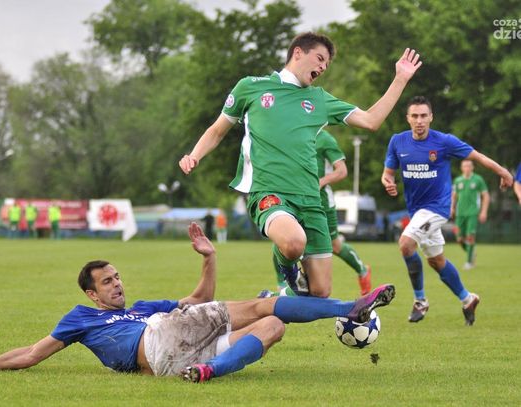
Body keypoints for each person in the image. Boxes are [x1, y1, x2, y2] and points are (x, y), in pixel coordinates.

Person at [0, 222, 396, 383]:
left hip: (180, 358)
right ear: (91, 295)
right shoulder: (82, 317)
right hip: (156, 340)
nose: (117, 284)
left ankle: (209, 372)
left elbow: (199, 300)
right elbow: (31, 354)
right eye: (107, 282)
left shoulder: (142, 306)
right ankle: (349, 308)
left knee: (273, 326)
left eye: (117, 276)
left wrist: (209, 258)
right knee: (261, 306)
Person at [180, 32, 422, 298]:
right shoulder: (251, 87)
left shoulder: (319, 99)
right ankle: (288, 270)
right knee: (294, 243)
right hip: (269, 192)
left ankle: (273, 300)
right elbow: (217, 131)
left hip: (310, 200)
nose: (323, 66)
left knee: (320, 292)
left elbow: (370, 121)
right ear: (298, 52)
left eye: (327, 64)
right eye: (319, 58)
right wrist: (194, 155)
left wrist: (400, 79)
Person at [381, 96, 513, 326]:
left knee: (406, 244)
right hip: (417, 211)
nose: (419, 120)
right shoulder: (397, 141)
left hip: (437, 208)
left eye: (424, 116)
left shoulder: (444, 141)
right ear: (408, 118)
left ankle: (420, 301)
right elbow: (388, 173)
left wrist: (502, 171)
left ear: (431, 117)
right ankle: (468, 299)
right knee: (436, 261)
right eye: (415, 116)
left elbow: (476, 156)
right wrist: (388, 182)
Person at [265, 130, 372, 296]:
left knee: (335, 245)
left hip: (322, 202)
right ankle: (281, 286)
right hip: (294, 197)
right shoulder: (292, 133)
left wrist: (321, 181)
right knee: (282, 238)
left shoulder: (325, 139)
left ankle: (363, 270)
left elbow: (342, 171)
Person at [451, 160, 489, 270]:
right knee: (459, 238)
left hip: (472, 212)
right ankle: (471, 251)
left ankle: (469, 263)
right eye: (465, 166)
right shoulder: (458, 180)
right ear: (461, 168)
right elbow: (454, 196)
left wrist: (484, 211)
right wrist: (452, 208)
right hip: (460, 213)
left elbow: (486, 196)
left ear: (472, 167)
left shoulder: (478, 179)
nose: (467, 168)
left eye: (469, 166)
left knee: (470, 237)